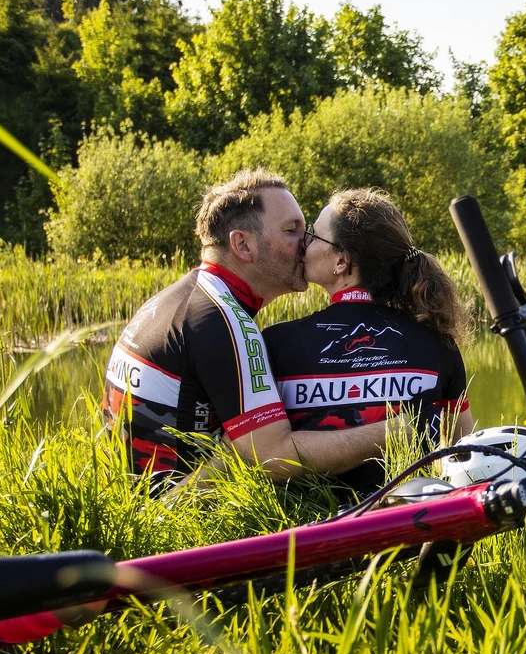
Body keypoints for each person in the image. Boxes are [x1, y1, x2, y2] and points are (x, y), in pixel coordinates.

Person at [104, 169, 395, 483]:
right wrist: (399, 430)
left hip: (136, 500)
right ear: (242, 245)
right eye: (291, 230)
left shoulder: (185, 298)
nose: (306, 242)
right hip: (173, 515)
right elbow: (273, 457)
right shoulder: (222, 319)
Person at [264, 188, 475, 497]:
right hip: (408, 522)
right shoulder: (437, 342)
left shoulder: (277, 342)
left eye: (313, 236)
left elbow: (257, 455)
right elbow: (466, 453)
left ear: (342, 261)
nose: (304, 245)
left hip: (303, 530)